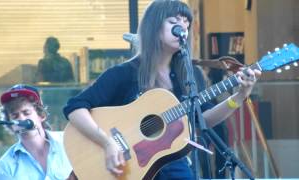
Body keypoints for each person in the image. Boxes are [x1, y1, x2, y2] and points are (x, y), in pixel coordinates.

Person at [63, 0, 261, 179]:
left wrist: (240, 95)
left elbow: (203, 118)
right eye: (174, 21)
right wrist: (107, 143)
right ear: (154, 27)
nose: (182, 27)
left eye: (186, 23)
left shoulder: (191, 76)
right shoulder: (124, 73)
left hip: (173, 164)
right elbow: (75, 108)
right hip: (129, 168)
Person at [0, 84, 76, 180]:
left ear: (41, 115)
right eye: (15, 116)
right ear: (11, 125)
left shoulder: (69, 141)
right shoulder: (6, 164)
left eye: (26, 113)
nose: (22, 119)